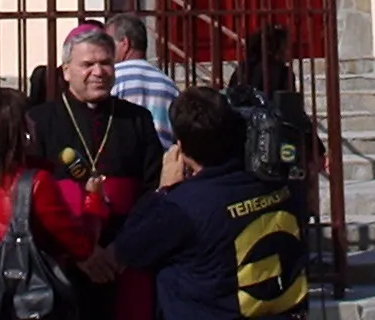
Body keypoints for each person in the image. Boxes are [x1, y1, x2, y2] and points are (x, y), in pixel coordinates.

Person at [109, 87, 308, 320]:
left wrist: (162, 189)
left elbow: (126, 250)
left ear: (181, 146)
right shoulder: (282, 185)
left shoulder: (182, 207)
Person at [28, 27, 163, 319]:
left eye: (106, 63)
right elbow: (32, 197)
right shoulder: (40, 121)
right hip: (62, 258)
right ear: (66, 71)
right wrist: (82, 253)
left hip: (124, 253)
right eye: (88, 64)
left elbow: (152, 188)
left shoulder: (137, 119)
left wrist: (120, 250)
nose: (99, 72)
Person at [0, 88, 99, 279]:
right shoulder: (36, 183)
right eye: (28, 119)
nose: (34, 124)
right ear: (19, 132)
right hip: (33, 293)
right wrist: (95, 201)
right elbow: (81, 246)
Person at [107, 14, 180, 149]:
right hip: (163, 163)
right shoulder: (168, 84)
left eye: (109, 43)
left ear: (125, 43)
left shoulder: (112, 78)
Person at [230, 25, 293, 96]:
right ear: (273, 48)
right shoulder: (284, 73)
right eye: (287, 46)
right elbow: (289, 103)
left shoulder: (242, 68)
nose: (290, 51)